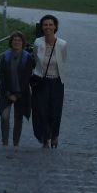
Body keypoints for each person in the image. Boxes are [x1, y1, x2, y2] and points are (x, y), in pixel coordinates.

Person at [31, 14, 67, 148]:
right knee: (41, 111)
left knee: (55, 112)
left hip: (57, 82)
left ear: (55, 27)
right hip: (41, 82)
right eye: (45, 25)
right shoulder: (37, 43)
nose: (48, 27)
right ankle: (45, 138)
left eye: (50, 24)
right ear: (41, 27)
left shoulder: (62, 44)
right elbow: (36, 59)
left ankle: (55, 134)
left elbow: (63, 61)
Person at [0, 31, 35, 147]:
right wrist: (8, 94)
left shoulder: (27, 57)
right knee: (4, 117)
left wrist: (17, 95)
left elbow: (27, 78)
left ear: (23, 42)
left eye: (19, 40)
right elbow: (2, 76)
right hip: (6, 92)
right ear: (11, 42)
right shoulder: (5, 57)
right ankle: (5, 142)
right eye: (15, 40)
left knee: (18, 118)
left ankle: (15, 143)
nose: (17, 42)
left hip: (21, 93)